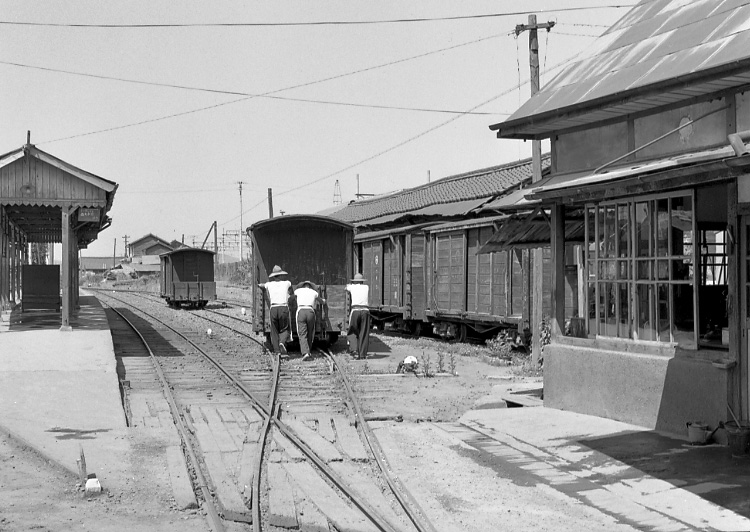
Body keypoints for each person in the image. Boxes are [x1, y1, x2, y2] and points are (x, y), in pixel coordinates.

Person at [259, 265, 292, 356]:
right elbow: (290, 289)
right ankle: (282, 342)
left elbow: (262, 286)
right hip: (283, 308)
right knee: (286, 329)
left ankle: (277, 351)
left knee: (274, 330)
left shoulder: (269, 284)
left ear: (273, 276)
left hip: (273, 308)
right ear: (281, 275)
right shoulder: (287, 283)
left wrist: (259, 285)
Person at [294, 280, 325, 361]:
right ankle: (309, 349)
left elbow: (291, 298)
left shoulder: (298, 291)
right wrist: (324, 301)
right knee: (310, 332)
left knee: (302, 333)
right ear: (310, 286)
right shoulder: (314, 292)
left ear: (303, 286)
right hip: (310, 311)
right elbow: (321, 301)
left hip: (301, 311)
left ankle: (305, 352)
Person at [345, 273, 370, 359]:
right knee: (364, 332)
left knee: (352, 330)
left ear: (354, 281)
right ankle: (362, 354)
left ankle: (354, 350)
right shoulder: (366, 287)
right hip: (365, 311)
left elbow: (346, 288)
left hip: (355, 310)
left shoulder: (352, 287)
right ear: (362, 281)